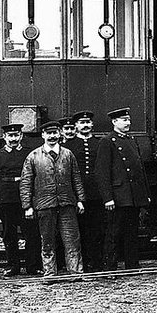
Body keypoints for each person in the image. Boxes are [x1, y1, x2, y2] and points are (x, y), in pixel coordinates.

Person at [20, 119, 86, 276]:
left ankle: (75, 272)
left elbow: (76, 178)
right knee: (47, 241)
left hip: (67, 203)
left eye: (55, 133)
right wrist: (27, 206)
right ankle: (50, 273)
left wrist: (81, 200)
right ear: (43, 135)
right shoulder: (33, 156)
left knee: (72, 240)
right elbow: (26, 182)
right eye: (48, 133)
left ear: (60, 134)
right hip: (44, 204)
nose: (52, 136)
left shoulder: (68, 155)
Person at [94, 107, 150, 270]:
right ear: (114, 122)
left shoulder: (131, 140)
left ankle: (132, 266)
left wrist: (145, 194)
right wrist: (108, 198)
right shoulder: (107, 141)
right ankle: (110, 268)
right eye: (124, 120)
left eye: (129, 120)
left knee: (132, 233)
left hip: (132, 196)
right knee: (113, 234)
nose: (128, 123)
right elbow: (102, 172)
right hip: (118, 197)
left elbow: (140, 170)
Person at [0, 123, 40, 276]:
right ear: (5, 137)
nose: (13, 139)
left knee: (31, 233)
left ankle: (32, 266)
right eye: (10, 136)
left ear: (21, 136)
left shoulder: (30, 154)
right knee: (9, 235)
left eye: (16, 135)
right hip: (6, 199)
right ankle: (13, 266)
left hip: (26, 199)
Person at [65, 110, 104, 272]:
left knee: (98, 228)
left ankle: (97, 263)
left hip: (97, 193)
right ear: (76, 126)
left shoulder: (100, 143)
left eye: (88, 122)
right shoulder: (69, 145)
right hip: (77, 194)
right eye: (82, 123)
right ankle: (83, 263)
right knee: (79, 229)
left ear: (92, 125)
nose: (85, 125)